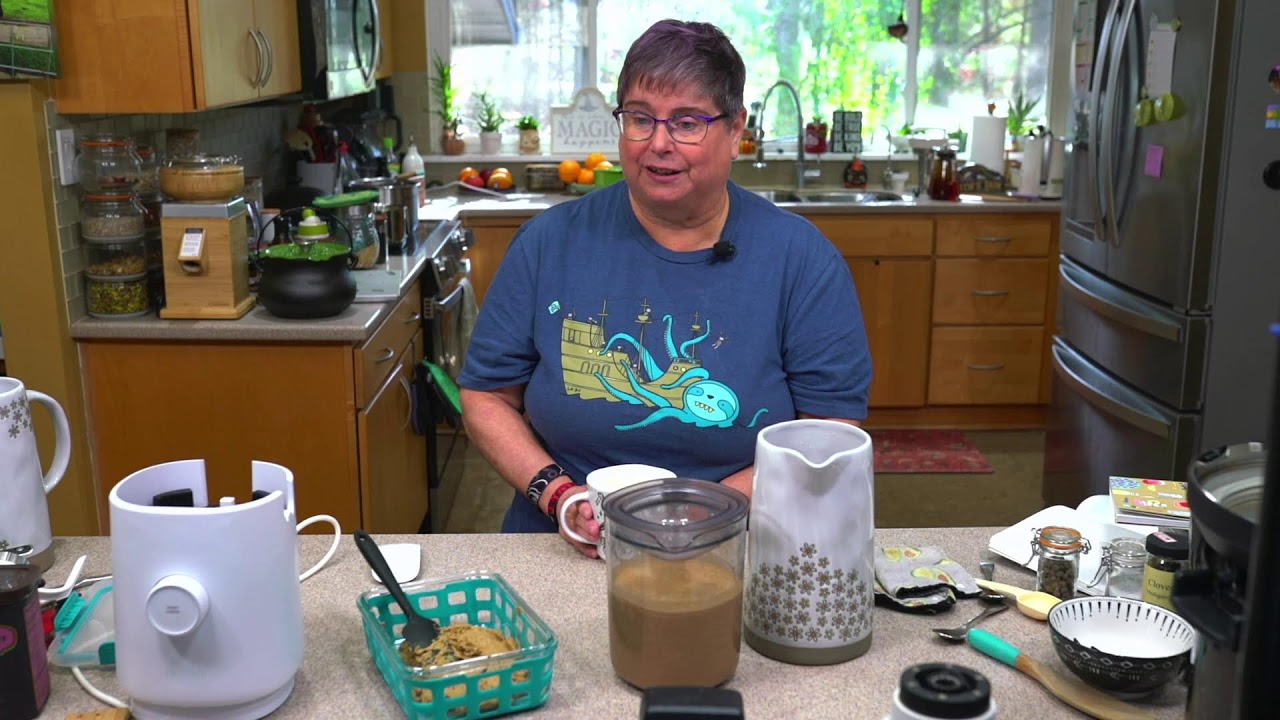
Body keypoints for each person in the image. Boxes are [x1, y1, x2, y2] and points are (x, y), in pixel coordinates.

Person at [457, 18, 871, 557]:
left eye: (687, 122)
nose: (658, 144)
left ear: (735, 130)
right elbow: (487, 395)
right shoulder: (547, 243)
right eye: (640, 118)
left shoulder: (802, 260)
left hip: (741, 547)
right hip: (563, 545)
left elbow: (829, 430)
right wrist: (556, 493)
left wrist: (708, 515)